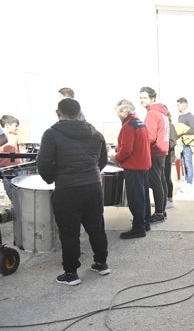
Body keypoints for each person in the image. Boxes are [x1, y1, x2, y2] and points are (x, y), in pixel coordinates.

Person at [37, 98, 109, 285]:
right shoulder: (95, 133)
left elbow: (43, 164)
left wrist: (52, 178)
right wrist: (91, 174)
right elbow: (102, 160)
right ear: (79, 113)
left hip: (67, 189)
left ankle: (71, 273)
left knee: (69, 232)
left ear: (58, 113)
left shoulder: (51, 134)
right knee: (96, 226)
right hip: (93, 187)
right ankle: (101, 263)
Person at [112, 99, 152, 239]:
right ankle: (145, 222)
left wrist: (116, 158)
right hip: (143, 164)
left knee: (135, 198)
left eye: (117, 112)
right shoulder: (139, 123)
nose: (117, 114)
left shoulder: (129, 125)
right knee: (143, 196)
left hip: (134, 166)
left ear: (123, 112)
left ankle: (138, 227)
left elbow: (126, 149)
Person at [139, 86, 170, 223]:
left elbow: (150, 137)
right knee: (161, 181)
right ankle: (162, 210)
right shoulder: (163, 113)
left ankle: (158, 213)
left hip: (154, 152)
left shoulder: (152, 113)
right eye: (140, 97)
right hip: (163, 151)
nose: (141, 100)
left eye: (144, 97)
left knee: (156, 182)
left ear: (152, 98)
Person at [0, 115, 23, 202]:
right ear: (7, 125)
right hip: (5, 168)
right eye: (15, 125)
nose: (17, 128)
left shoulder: (16, 136)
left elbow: (19, 150)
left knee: (20, 188)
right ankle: (16, 207)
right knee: (10, 189)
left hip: (18, 167)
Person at [176, 97, 194, 187]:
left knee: (188, 163)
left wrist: (183, 132)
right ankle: (186, 180)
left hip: (188, 144)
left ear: (184, 105)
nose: (177, 107)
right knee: (183, 163)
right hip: (181, 144)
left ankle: (189, 183)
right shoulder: (180, 117)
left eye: (178, 105)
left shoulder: (190, 117)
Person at [164, 107, 177, 208]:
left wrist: (161, 147)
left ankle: (169, 199)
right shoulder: (162, 126)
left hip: (167, 157)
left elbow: (172, 142)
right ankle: (163, 199)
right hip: (161, 156)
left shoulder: (170, 126)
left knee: (167, 178)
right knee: (161, 178)